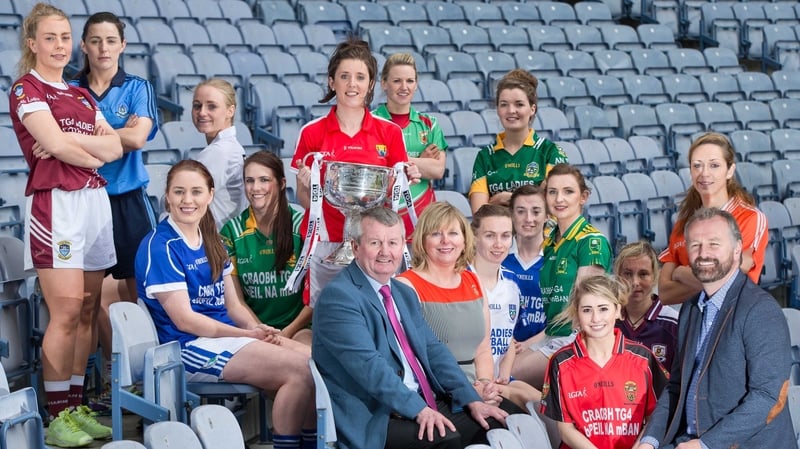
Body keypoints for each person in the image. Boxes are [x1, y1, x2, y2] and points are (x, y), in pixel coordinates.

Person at [135, 160, 316, 449]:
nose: (187, 200)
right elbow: (186, 321)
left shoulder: (213, 240)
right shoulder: (161, 246)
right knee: (299, 372)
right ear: (167, 196)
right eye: (179, 192)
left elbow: (233, 306)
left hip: (227, 338)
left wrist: (258, 329)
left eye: (196, 192)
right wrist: (246, 335)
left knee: (314, 364)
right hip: (189, 346)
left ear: (210, 194)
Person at [10, 4, 123, 446]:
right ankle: (57, 416)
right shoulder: (26, 89)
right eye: (49, 37)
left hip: (95, 201)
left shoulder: (80, 95)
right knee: (67, 309)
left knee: (90, 308)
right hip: (56, 204)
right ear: (33, 43)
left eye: (64, 37)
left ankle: (76, 406)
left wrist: (67, 143)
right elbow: (59, 143)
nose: (59, 45)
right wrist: (84, 145)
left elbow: (113, 149)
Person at [313, 207, 508, 449]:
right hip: (377, 416)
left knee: (497, 421)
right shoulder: (339, 298)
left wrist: (471, 399)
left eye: (393, 242)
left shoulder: (402, 293)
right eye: (375, 242)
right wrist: (419, 410)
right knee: (444, 439)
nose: (386, 252)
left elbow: (434, 350)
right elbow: (370, 369)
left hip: (422, 400)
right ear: (355, 247)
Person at [636, 208, 793, 449]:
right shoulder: (690, 308)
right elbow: (677, 385)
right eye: (695, 245)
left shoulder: (760, 310)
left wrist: (705, 444)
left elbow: (768, 397)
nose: (703, 253)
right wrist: (650, 440)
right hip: (687, 441)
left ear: (737, 248)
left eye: (714, 244)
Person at [291, 36, 420, 307]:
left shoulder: (390, 133)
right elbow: (306, 201)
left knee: (377, 315)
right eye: (344, 76)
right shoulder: (312, 132)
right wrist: (307, 184)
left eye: (360, 77)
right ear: (331, 81)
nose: (352, 85)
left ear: (371, 84)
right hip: (326, 245)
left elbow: (391, 195)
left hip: (374, 247)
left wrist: (407, 178)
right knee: (326, 318)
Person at [69, 10, 159, 396]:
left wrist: (85, 138)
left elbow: (139, 139)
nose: (103, 48)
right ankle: (92, 387)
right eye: (95, 40)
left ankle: (142, 384)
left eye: (111, 40)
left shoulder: (138, 86)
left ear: (122, 45)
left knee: (138, 295)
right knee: (85, 303)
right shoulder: (69, 87)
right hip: (83, 200)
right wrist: (116, 136)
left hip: (127, 202)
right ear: (84, 46)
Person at [396, 202, 521, 414]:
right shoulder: (406, 285)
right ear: (422, 240)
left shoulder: (473, 281)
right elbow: (415, 358)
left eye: (453, 233)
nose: (446, 241)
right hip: (436, 394)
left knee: (519, 418)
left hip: (477, 390)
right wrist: (469, 394)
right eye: (436, 234)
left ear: (464, 240)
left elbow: (483, 348)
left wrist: (484, 384)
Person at [512, 163, 612, 390]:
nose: (560, 199)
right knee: (502, 370)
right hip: (551, 336)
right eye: (553, 192)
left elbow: (587, 309)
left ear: (583, 197)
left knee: (509, 378)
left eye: (568, 191)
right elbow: (553, 315)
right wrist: (527, 343)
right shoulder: (550, 243)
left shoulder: (590, 242)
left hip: (576, 338)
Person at [540, 274, 669, 449]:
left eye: (603, 309)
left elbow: (656, 419)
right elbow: (565, 430)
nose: (595, 318)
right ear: (577, 313)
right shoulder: (560, 362)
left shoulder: (643, 359)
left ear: (618, 310)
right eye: (586, 310)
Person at [658, 132, 767, 305]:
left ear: (730, 170)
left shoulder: (750, 217)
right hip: (692, 323)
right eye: (697, 166)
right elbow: (665, 293)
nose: (704, 173)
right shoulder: (683, 223)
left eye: (714, 165)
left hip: (733, 319)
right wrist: (713, 278)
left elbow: (738, 269)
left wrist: (680, 273)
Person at [220, 151, 312, 346]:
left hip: (299, 328)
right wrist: (259, 331)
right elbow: (235, 302)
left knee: (305, 358)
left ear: (282, 183)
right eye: (249, 181)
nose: (256, 188)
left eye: (264, 180)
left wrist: (286, 333)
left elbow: (317, 295)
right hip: (252, 329)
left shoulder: (302, 225)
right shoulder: (231, 232)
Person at [470, 204, 541, 409]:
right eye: (490, 236)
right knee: (533, 407)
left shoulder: (512, 283)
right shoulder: (461, 280)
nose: (499, 244)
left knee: (548, 405)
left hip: (500, 379)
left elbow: (509, 338)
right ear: (475, 237)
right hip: (473, 382)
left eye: (505, 236)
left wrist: (504, 372)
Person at [468, 68, 568, 213]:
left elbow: (552, 204)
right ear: (497, 109)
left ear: (532, 109)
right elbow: (479, 214)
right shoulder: (485, 157)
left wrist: (497, 200)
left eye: (519, 104)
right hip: (500, 234)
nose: (511, 110)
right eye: (504, 104)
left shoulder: (551, 152)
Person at [372, 52, 447, 236]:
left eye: (410, 81)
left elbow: (437, 170)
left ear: (416, 84)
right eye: (397, 81)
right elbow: (373, 168)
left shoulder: (430, 124)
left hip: (423, 222)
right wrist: (420, 161)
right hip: (382, 220)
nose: (404, 87)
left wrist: (396, 160)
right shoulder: (371, 122)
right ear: (384, 83)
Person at [191, 78, 247, 230]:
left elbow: (183, 199)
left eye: (212, 106)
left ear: (230, 111)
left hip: (215, 242)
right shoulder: (228, 147)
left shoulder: (219, 151)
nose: (202, 112)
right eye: (197, 106)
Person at [614, 241, 678, 371]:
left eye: (643, 274)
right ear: (618, 276)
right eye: (628, 274)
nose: (635, 282)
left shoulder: (673, 324)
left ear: (655, 276)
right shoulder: (606, 320)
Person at [503, 184, 547, 352]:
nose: (529, 219)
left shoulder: (556, 258)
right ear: (512, 215)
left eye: (536, 212)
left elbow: (562, 320)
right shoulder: (498, 255)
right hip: (502, 347)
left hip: (544, 346)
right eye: (521, 211)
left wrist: (527, 345)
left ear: (547, 215)